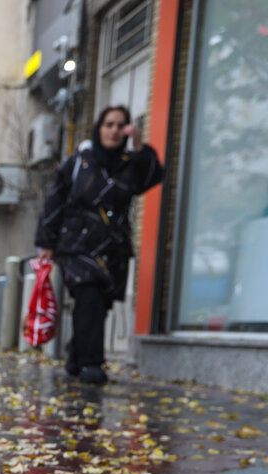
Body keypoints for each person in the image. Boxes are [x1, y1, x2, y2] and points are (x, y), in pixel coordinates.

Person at [35, 105, 163, 384]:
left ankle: (76, 354)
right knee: (88, 296)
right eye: (109, 124)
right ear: (99, 128)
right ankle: (92, 363)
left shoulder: (131, 163)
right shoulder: (78, 162)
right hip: (77, 245)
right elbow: (54, 201)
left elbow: (152, 177)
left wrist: (140, 145)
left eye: (120, 126)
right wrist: (47, 242)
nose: (114, 131)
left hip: (113, 247)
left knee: (97, 305)